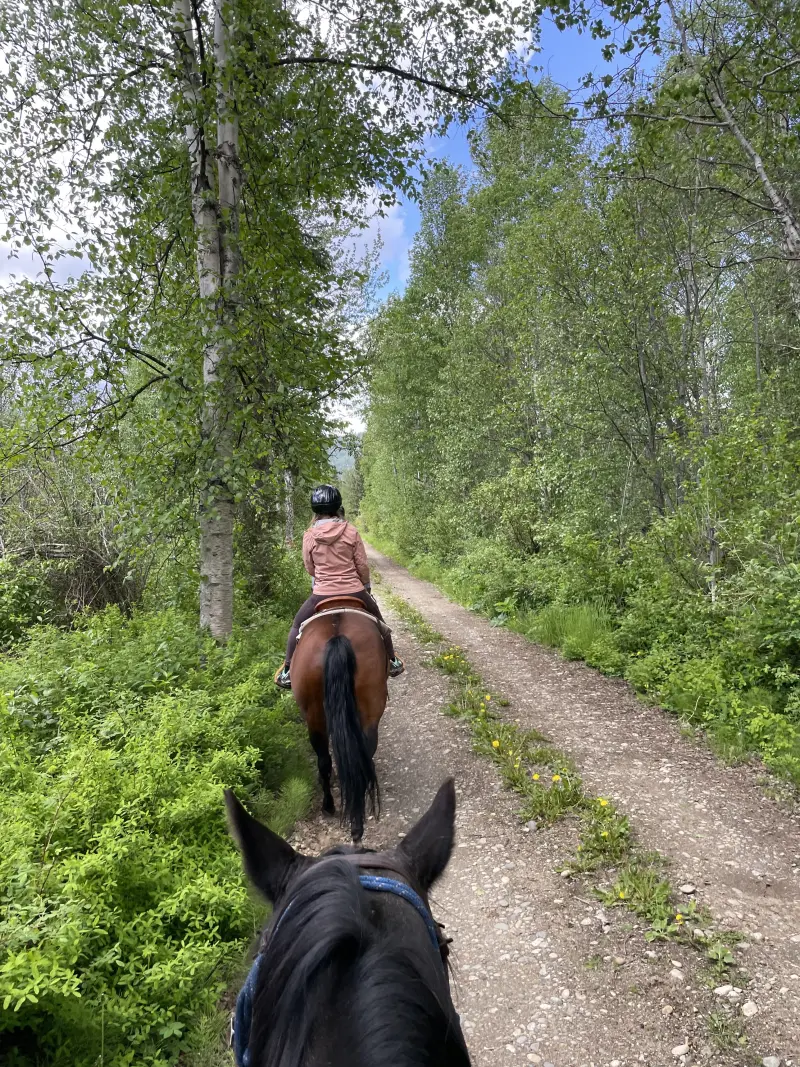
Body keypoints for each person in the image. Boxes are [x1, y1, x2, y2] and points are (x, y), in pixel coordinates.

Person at [274, 485, 404, 689]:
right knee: (380, 623)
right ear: (338, 507)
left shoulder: (309, 535)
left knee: (296, 626)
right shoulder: (351, 531)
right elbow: (362, 565)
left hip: (321, 594)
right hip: (354, 590)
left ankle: (288, 671)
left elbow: (310, 568)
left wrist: (323, 578)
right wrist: (366, 586)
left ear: (315, 510)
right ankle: (392, 661)